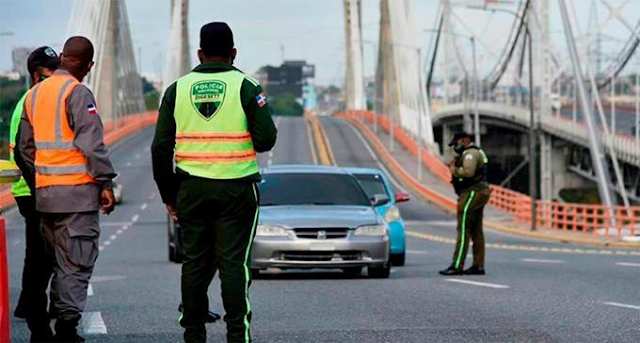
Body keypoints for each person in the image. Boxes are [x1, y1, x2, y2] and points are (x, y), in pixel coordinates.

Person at [152, 22, 277, 343]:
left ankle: (193, 334)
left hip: (191, 190)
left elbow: (160, 148)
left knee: (194, 262)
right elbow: (266, 140)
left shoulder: (176, 89)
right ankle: (238, 335)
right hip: (237, 189)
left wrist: (170, 195)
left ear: (200, 53)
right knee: (234, 264)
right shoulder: (246, 86)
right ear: (234, 53)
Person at [16, 36, 116, 342]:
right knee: (76, 262)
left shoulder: (34, 95)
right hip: (77, 196)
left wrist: (45, 175)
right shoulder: (78, 92)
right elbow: (92, 145)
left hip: (45, 196)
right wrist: (105, 183)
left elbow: (24, 148)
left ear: (61, 56)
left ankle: (56, 322)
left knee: (59, 262)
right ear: (89, 65)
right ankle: (68, 328)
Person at [10, 46, 58, 341]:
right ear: (37, 73)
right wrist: (42, 189)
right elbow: (24, 153)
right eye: (52, 70)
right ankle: (37, 325)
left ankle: (27, 306)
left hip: (36, 188)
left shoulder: (39, 99)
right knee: (43, 258)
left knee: (38, 257)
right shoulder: (32, 101)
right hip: (32, 190)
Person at [439, 132, 490, 276]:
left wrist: (453, 169)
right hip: (479, 192)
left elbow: (468, 172)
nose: (455, 147)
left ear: (464, 141)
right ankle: (478, 266)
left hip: (472, 193)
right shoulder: (477, 152)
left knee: (463, 229)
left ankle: (457, 265)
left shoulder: (470, 154)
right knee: (476, 230)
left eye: (456, 144)